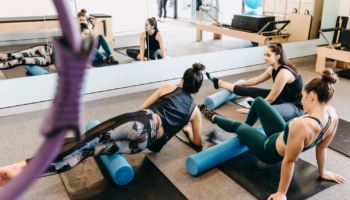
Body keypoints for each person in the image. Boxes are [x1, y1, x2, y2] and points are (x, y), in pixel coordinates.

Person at [0, 63, 205, 183]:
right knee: (87, 152)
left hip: (139, 122)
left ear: (183, 80)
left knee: (84, 143)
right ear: (196, 88)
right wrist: (186, 131)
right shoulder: (195, 111)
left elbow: (142, 107)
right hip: (141, 144)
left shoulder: (168, 87)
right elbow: (197, 143)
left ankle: (21, 167)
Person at [200, 68, 346, 200]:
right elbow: (321, 148)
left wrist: (281, 193)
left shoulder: (301, 125)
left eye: (303, 96)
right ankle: (248, 129)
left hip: (268, 150)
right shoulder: (332, 115)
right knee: (258, 102)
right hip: (283, 134)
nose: (301, 100)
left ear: (312, 96)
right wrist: (323, 172)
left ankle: (211, 116)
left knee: (238, 125)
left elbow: (289, 161)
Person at [206, 43, 304, 121]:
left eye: (268, 55)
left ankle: (255, 107)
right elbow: (255, 81)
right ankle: (220, 83)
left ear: (278, 56)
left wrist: (250, 111)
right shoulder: (272, 69)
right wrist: (234, 85)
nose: (265, 58)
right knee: (252, 91)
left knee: (270, 112)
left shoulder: (283, 73)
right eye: (264, 55)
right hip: (282, 98)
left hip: (294, 106)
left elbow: (270, 99)